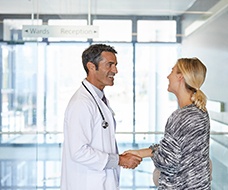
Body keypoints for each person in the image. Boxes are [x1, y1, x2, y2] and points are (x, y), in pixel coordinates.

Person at [60, 44, 142, 190]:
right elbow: (78, 151)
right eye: (109, 65)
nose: (115, 70)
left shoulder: (98, 99)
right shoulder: (81, 103)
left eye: (115, 65)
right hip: (87, 183)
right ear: (91, 66)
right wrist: (119, 160)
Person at [123, 57, 211, 189]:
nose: (168, 76)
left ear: (181, 77)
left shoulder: (180, 117)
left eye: (172, 71)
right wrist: (140, 153)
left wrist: (144, 156)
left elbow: (167, 162)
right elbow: (175, 149)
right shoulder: (199, 112)